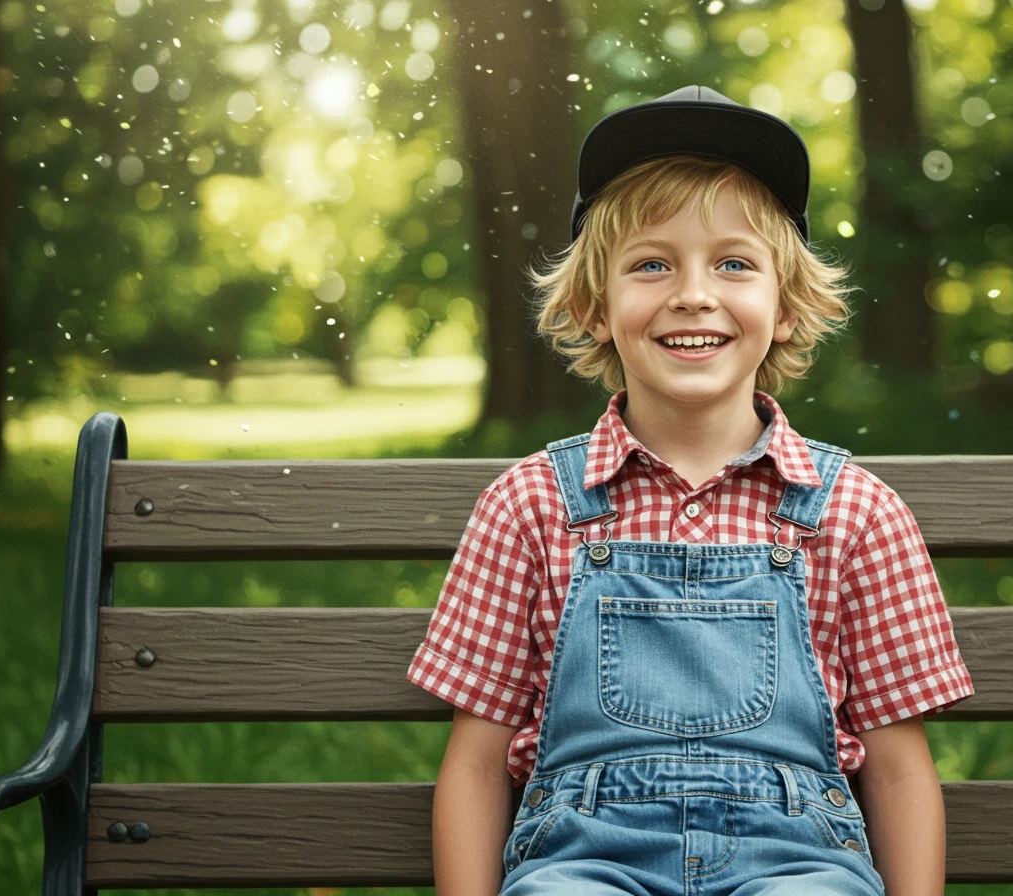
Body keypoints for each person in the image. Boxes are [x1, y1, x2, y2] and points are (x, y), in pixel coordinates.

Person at [407, 85, 974, 896]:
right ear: (595, 306)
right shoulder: (530, 506)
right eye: (650, 264)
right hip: (585, 859)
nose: (693, 294)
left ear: (785, 306)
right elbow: (473, 766)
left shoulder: (855, 512)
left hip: (797, 862)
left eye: (735, 263)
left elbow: (897, 773)